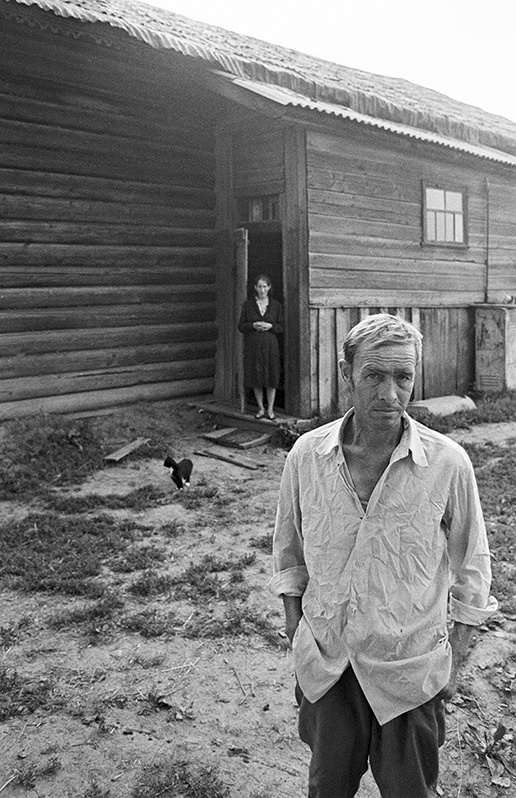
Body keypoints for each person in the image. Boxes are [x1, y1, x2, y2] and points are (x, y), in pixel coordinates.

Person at [270, 313, 497, 798]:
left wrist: (453, 661)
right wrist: (298, 630)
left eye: (403, 377)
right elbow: (289, 552)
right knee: (327, 788)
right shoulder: (306, 457)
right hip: (331, 667)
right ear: (346, 372)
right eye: (373, 375)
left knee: (410, 791)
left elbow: (473, 570)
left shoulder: (447, 464)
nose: (389, 395)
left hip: (409, 673)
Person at [238, 274, 283, 420]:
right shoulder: (248, 305)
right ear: (255, 288)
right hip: (254, 345)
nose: (262, 290)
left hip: (270, 345)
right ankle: (261, 409)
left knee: (271, 375)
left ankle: (270, 410)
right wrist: (252, 325)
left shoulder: (275, 305)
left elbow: (282, 326)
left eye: (265, 287)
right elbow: (241, 326)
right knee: (256, 376)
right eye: (259, 287)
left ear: (269, 288)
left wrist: (270, 326)